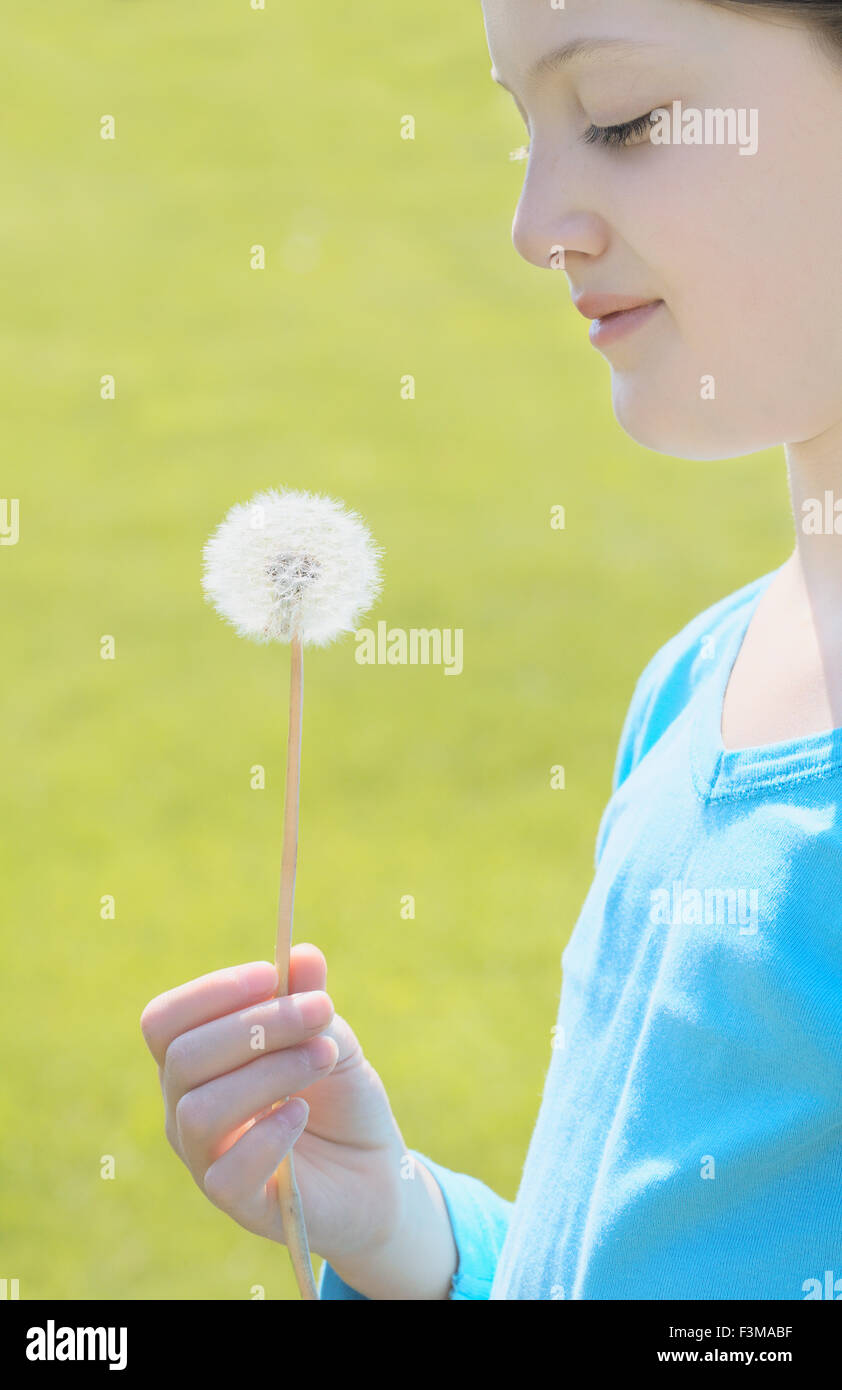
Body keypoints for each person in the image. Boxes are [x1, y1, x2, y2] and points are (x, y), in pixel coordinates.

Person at [140, 0, 842, 1299]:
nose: (534, 228)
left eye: (622, 118)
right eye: (525, 129)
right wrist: (405, 1235)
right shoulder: (696, 683)